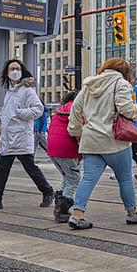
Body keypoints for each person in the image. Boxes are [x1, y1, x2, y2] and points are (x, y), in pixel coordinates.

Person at [67, 57, 137, 229]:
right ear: (124, 73)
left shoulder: (89, 85)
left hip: (90, 141)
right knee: (125, 178)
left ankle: (77, 215)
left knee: (88, 179)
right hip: (114, 142)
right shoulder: (121, 84)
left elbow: (75, 110)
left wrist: (76, 132)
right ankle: (132, 213)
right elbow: (127, 109)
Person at [0, 59, 55, 211]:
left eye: (17, 68)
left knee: (30, 168)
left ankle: (48, 191)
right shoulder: (9, 90)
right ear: (7, 73)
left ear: (22, 71)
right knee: (1, 170)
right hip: (8, 139)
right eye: (11, 69)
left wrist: (20, 113)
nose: (15, 71)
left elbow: (38, 109)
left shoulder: (27, 90)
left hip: (20, 137)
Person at [47, 91, 80, 223]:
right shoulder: (77, 110)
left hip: (52, 148)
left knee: (67, 175)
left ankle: (60, 205)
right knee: (74, 177)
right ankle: (62, 209)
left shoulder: (59, 111)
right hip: (66, 148)